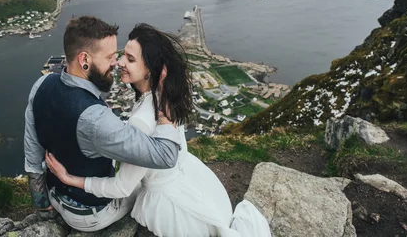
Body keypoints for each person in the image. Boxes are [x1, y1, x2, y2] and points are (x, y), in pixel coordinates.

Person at [45, 23, 272, 237]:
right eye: (123, 54)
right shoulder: (165, 97)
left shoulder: (141, 122)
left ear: (150, 71)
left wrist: (70, 179)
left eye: (130, 59)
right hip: (193, 182)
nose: (120, 62)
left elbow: (123, 187)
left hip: (171, 204)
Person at [24, 16, 183, 233]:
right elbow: (166, 156)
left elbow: (33, 152)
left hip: (54, 194)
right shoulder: (96, 119)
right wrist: (165, 115)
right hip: (90, 215)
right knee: (151, 189)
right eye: (110, 57)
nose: (115, 63)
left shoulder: (42, 83)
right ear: (84, 60)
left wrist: (42, 203)